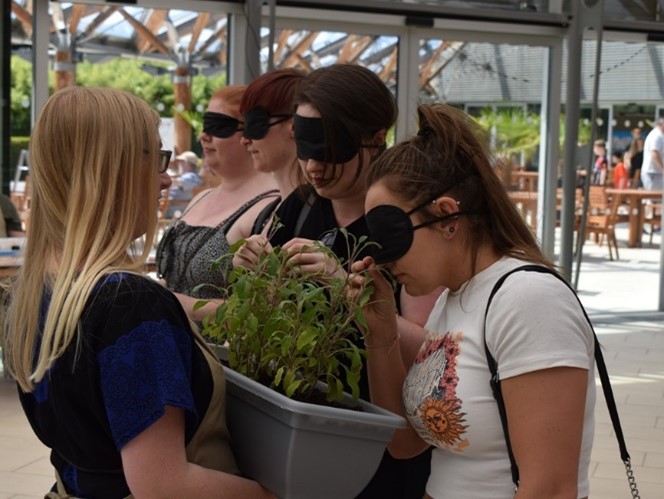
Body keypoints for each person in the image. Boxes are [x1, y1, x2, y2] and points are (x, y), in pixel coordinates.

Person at [1, 87, 273, 498]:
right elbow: (163, 484)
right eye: (156, 157)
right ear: (111, 170)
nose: (167, 178)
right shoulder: (127, 305)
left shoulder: (28, 292)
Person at [348, 103, 596, 498]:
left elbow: (550, 488)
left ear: (446, 215)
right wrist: (380, 334)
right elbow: (406, 444)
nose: (381, 256)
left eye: (389, 235)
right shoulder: (456, 299)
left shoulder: (528, 300)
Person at [234, 63, 437, 499]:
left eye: (330, 152)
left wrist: (345, 288)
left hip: (379, 446)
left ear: (377, 137)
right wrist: (257, 272)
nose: (313, 167)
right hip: (297, 430)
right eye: (304, 150)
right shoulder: (300, 207)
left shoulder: (405, 224)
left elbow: (433, 350)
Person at [156, 85, 279, 321]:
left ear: (250, 134)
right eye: (205, 125)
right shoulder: (201, 197)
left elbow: (263, 308)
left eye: (219, 126)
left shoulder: (271, 205)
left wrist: (172, 302)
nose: (204, 135)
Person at [239, 68, 306, 234]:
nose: (244, 140)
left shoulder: (319, 212)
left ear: (294, 126)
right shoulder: (267, 215)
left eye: (255, 124)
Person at [165, 150, 204, 219]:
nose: (179, 164)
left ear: (188, 164)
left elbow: (179, 183)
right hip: (170, 211)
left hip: (173, 213)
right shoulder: (186, 176)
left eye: (181, 161)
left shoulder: (192, 176)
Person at [640, 118, 664, 190]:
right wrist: (663, 168)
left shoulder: (660, 135)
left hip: (656, 172)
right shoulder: (656, 135)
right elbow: (654, 154)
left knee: (656, 198)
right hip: (651, 173)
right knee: (652, 198)